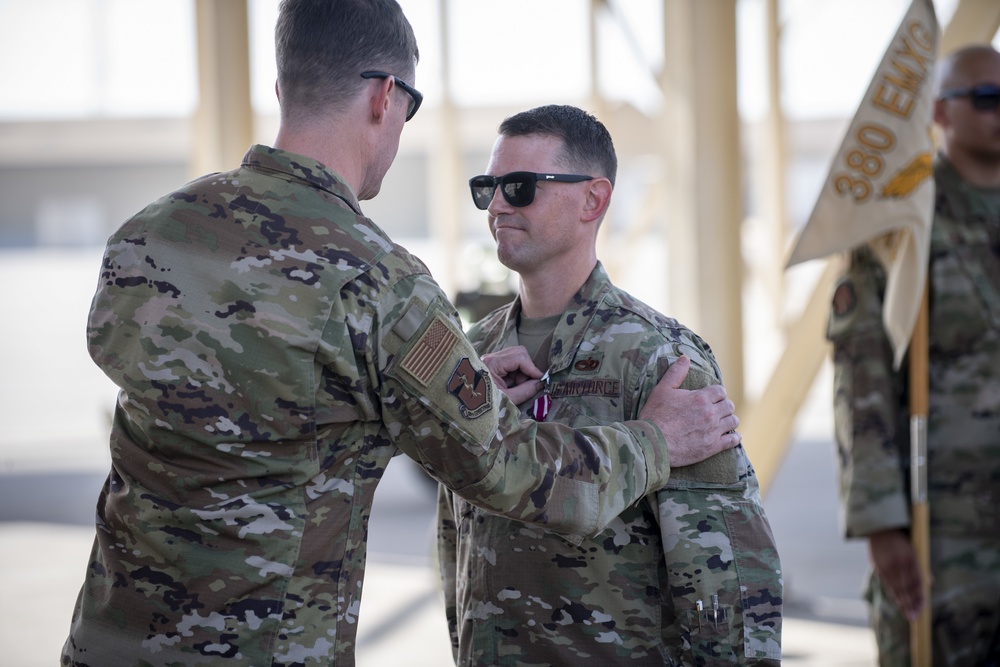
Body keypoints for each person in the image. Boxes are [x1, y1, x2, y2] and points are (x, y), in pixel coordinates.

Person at [59, 2, 743, 666]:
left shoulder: (149, 237)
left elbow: (243, 404)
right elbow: (514, 470)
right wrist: (657, 439)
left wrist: (436, 383)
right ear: (386, 97)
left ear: (283, 86)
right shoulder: (376, 281)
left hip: (105, 640)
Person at [437, 105, 782, 667]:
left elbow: (732, 577)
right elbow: (455, 541)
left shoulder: (659, 359)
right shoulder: (471, 354)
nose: (498, 205)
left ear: (593, 200)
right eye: (488, 188)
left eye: (520, 188)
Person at [829, 44, 1000, 666]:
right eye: (986, 96)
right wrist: (880, 520)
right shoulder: (904, 224)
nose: (999, 109)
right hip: (942, 529)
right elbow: (861, 375)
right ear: (940, 113)